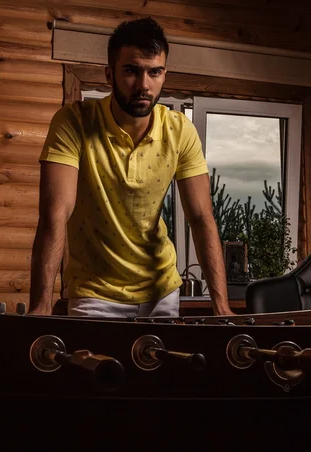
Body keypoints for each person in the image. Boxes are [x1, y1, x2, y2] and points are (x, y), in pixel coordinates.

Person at [28, 17, 234, 318]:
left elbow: (202, 218)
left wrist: (222, 306)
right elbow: (55, 214)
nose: (143, 85)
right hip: (94, 294)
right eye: (131, 71)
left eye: (155, 72)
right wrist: (41, 306)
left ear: (164, 74)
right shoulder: (74, 121)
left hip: (160, 292)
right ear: (110, 75)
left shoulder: (179, 130)